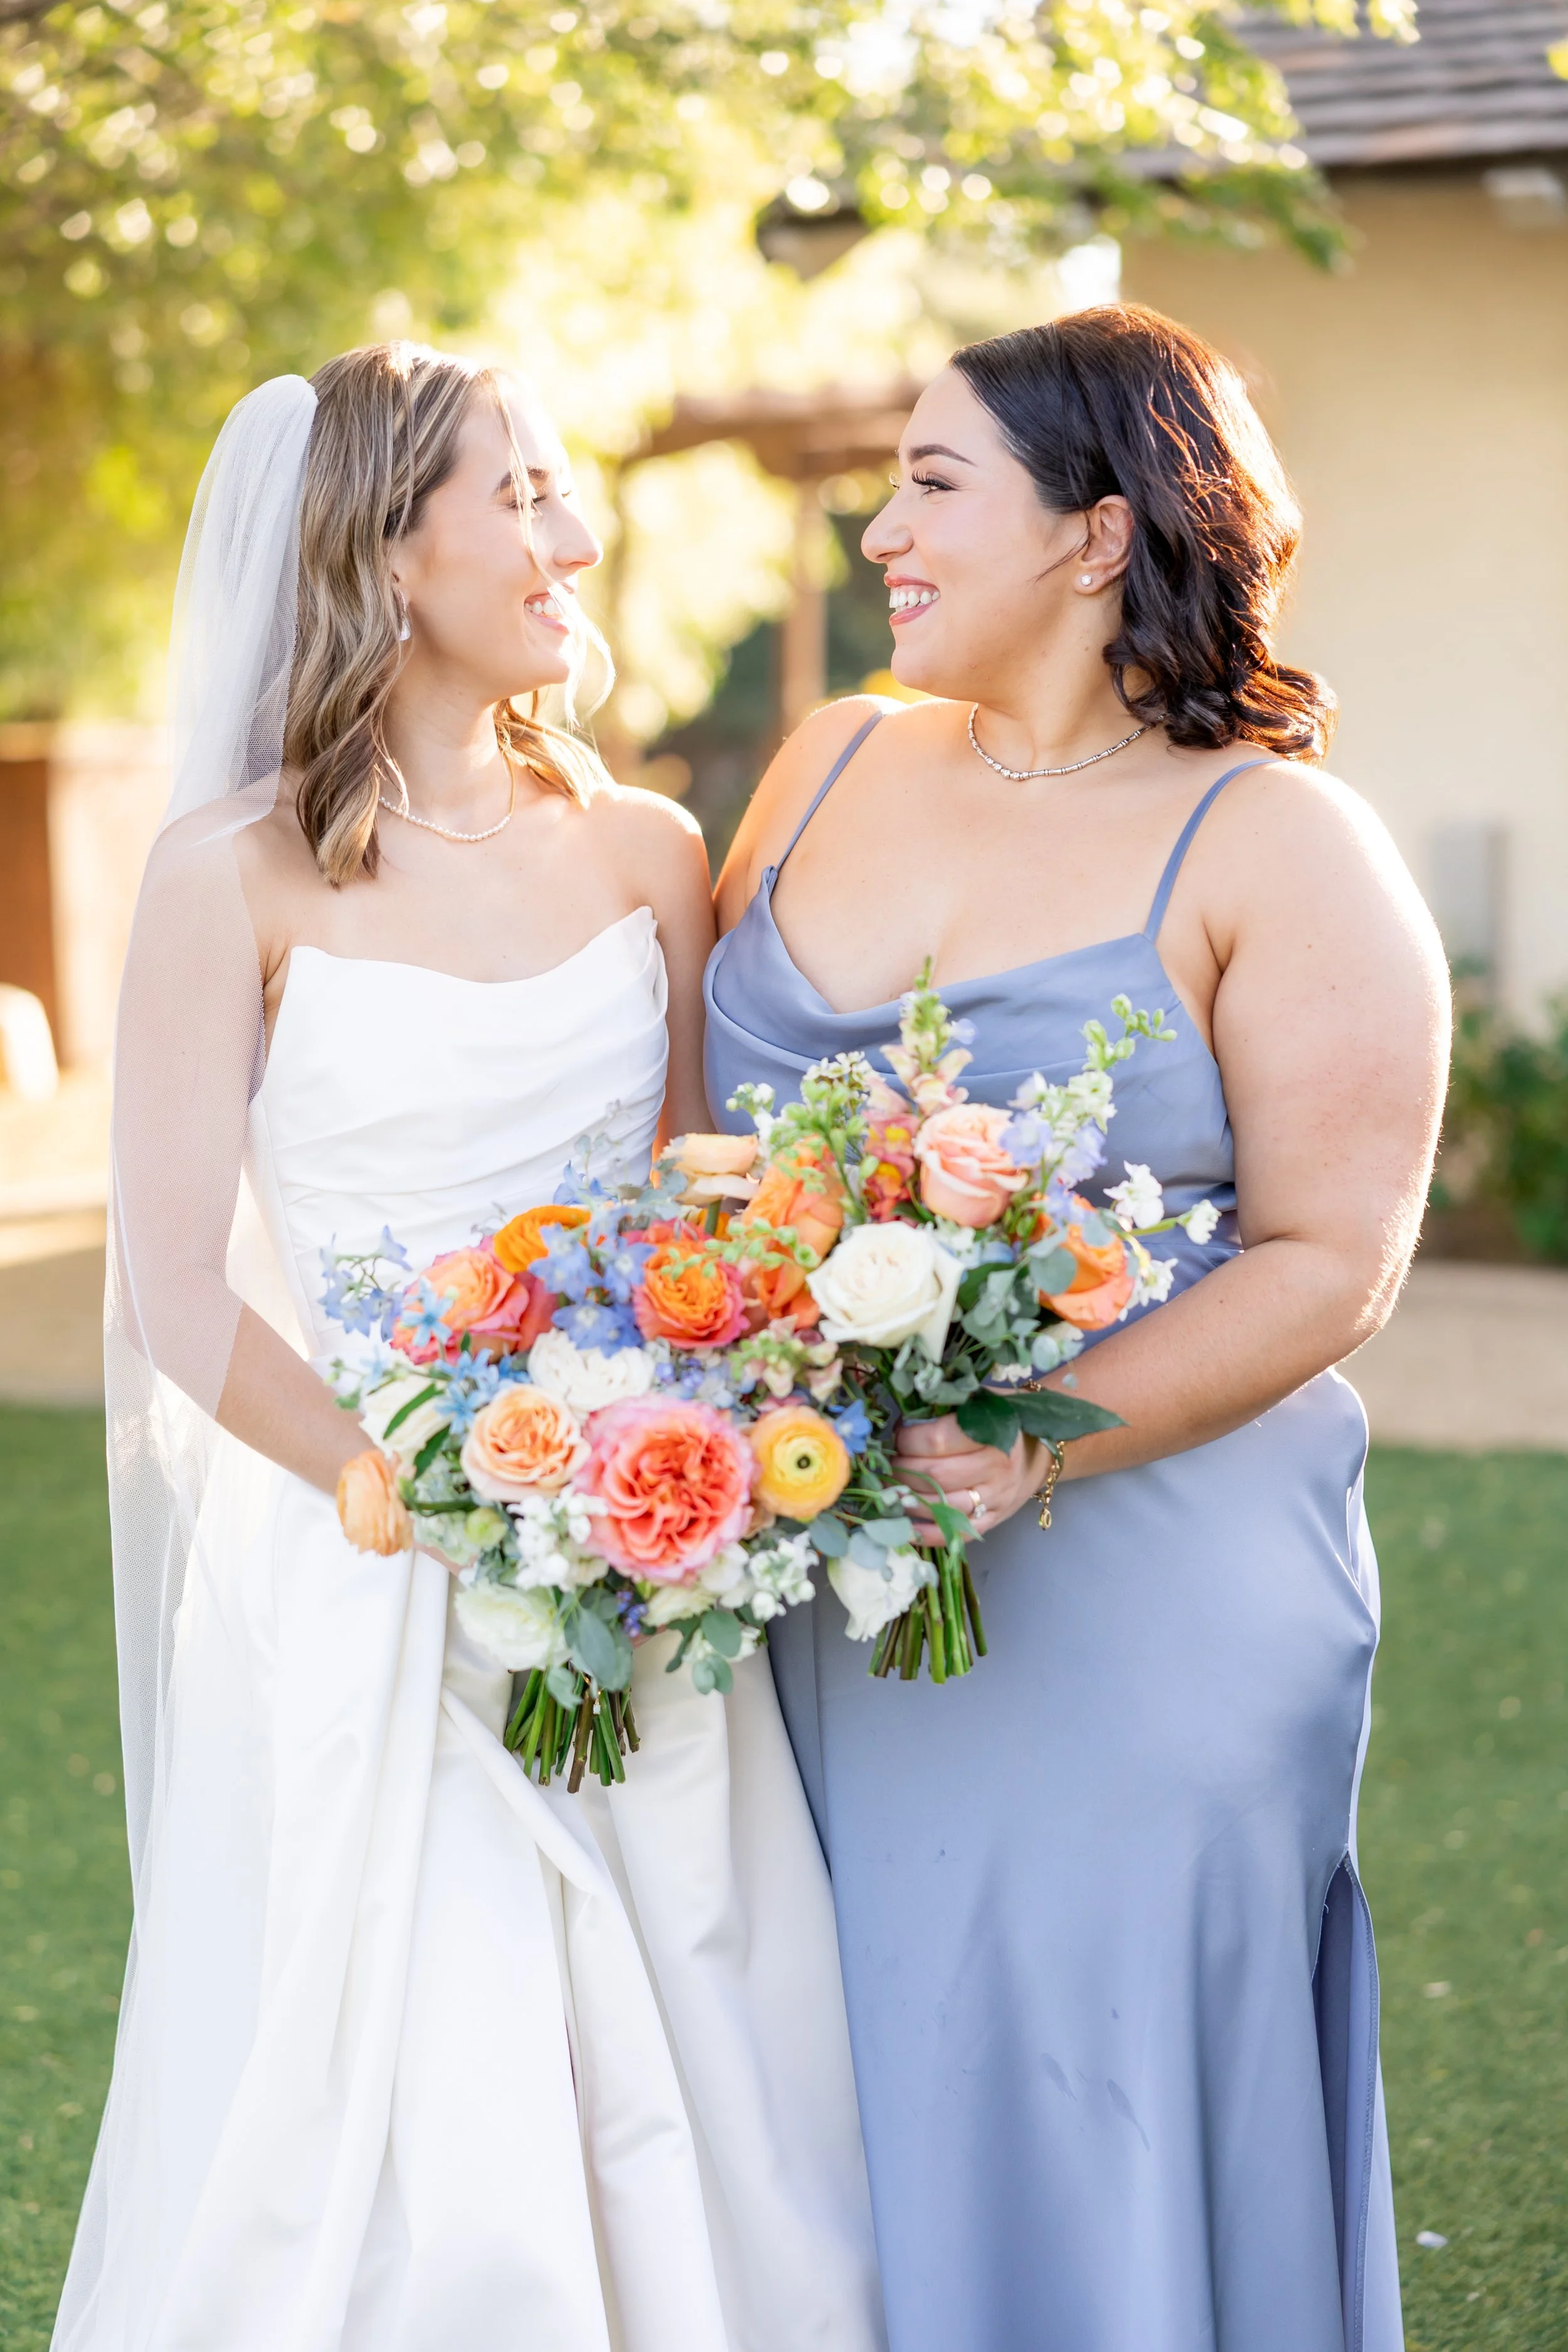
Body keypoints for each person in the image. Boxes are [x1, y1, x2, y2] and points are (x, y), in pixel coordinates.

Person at [58, 344, 884, 2352]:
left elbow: (696, 1217)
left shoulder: (644, 855)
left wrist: (643, 1476)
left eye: (559, 493)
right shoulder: (224, 876)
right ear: (380, 547)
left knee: (686, 2032)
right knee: (428, 2083)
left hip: (644, 1563)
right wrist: (426, 1497)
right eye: (519, 496)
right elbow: (180, 1289)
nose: (571, 539)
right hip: (372, 1583)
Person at [706, 304, 1449, 2352]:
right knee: (821, 2093)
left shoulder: (1280, 843)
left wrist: (1041, 1430)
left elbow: (1328, 1254)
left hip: (1141, 1602)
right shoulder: (827, 757)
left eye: (932, 482)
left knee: (1092, 2091)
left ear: (1098, 530)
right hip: (806, 1581)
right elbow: (697, 1153)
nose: (881, 532)